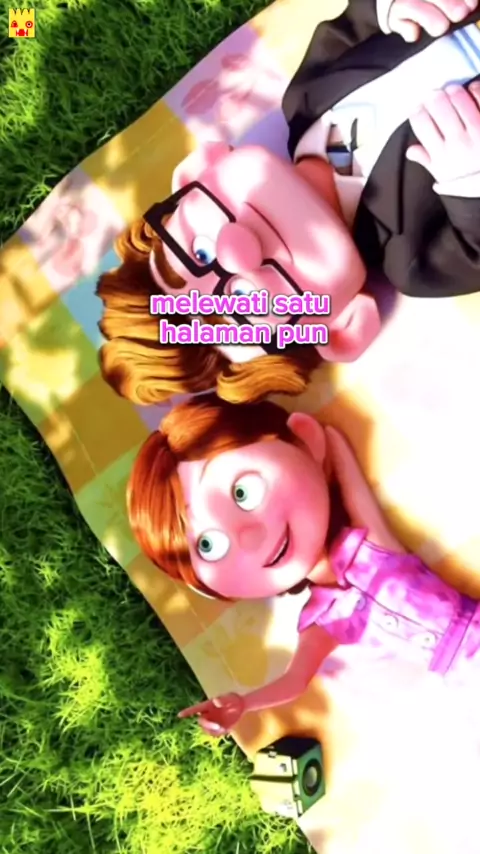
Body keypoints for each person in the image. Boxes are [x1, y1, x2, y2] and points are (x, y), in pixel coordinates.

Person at [97, 0, 480, 405]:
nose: (238, 248)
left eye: (201, 251)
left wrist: (389, 7)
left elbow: (355, 22)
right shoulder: (414, 259)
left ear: (199, 171)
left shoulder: (305, 97)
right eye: (244, 301)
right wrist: (469, 177)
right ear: (343, 328)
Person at [127, 392, 480, 736]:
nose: (250, 536)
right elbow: (295, 681)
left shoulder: (371, 551)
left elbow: (347, 472)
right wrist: (245, 703)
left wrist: (316, 444)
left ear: (306, 438)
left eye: (242, 493)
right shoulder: (324, 620)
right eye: (209, 545)